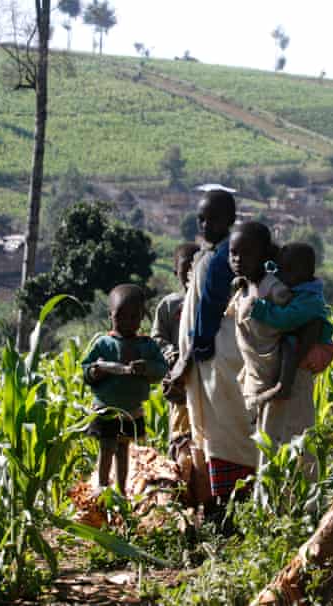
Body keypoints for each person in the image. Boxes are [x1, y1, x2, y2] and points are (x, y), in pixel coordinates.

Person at [228, 223, 333, 504]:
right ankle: (272, 513)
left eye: (246, 253)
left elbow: (305, 324)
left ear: (265, 255)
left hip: (285, 384)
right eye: (233, 253)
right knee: (269, 452)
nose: (238, 259)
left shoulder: (275, 290)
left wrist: (285, 380)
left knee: (292, 449)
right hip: (263, 383)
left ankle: (296, 514)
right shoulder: (244, 287)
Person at [173, 189, 255, 508]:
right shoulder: (213, 255)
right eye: (201, 219)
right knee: (216, 431)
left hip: (216, 358)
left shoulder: (225, 256)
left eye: (214, 219)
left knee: (226, 431)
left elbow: (208, 310)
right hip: (207, 361)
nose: (206, 225)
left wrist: (188, 357)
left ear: (231, 220)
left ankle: (231, 503)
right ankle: (222, 501)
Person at [82, 284, 167, 494]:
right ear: (111, 315)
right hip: (107, 409)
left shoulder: (147, 346)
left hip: (131, 410)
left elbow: (161, 369)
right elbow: (86, 370)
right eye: (121, 316)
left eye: (134, 317)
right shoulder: (103, 344)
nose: (128, 322)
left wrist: (146, 368)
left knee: (123, 449)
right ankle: (102, 487)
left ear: (142, 317)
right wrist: (95, 371)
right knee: (107, 447)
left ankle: (121, 491)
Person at [240, 241, 333, 414]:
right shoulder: (294, 280)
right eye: (279, 269)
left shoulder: (310, 300)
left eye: (284, 270)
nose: (279, 275)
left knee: (289, 345)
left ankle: (284, 385)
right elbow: (271, 268)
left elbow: (285, 319)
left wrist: (259, 308)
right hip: (306, 342)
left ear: (302, 272)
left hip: (318, 351)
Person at [151, 242, 200, 460]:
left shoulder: (212, 304)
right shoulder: (169, 305)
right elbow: (157, 337)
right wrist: (170, 352)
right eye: (185, 269)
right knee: (181, 435)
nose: (190, 274)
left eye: (195, 269)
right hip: (178, 380)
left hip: (204, 380)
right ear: (175, 272)